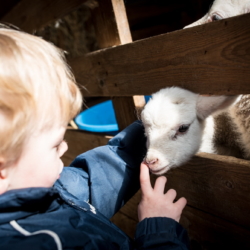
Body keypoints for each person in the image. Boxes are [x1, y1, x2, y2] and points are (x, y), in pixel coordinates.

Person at [0, 27, 189, 250]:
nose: (65, 147)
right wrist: (158, 231)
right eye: (55, 145)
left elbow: (95, 179)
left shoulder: (43, 190)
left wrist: (152, 127)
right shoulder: (40, 243)